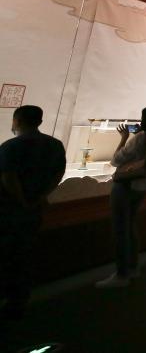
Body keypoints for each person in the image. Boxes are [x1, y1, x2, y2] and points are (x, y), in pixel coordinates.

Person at [0, 105, 65, 319]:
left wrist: (22, 200)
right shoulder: (55, 145)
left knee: (8, 253)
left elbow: (8, 177)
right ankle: (19, 300)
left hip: (9, 210)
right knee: (25, 252)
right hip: (35, 208)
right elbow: (59, 173)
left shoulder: (11, 146)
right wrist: (41, 196)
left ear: (17, 121)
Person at [96, 104, 146, 288]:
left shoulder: (140, 137)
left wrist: (124, 138)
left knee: (121, 229)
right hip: (143, 185)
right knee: (130, 225)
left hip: (126, 185)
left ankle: (121, 274)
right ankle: (133, 267)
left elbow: (116, 160)